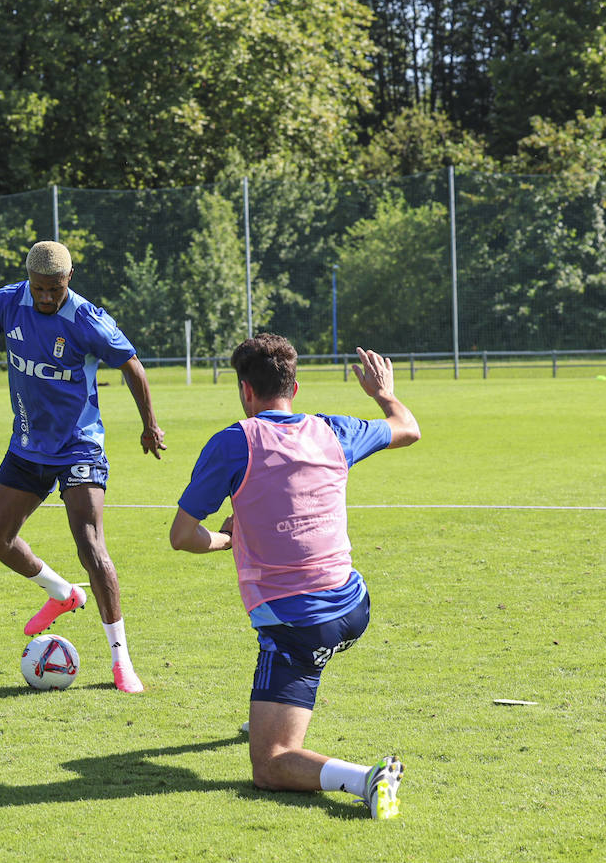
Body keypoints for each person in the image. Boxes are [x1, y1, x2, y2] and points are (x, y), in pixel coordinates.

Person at [169, 335, 420, 819]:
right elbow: (407, 428)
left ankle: (366, 779)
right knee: (294, 645)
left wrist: (228, 539)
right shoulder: (333, 431)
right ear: (295, 387)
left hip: (298, 626)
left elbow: (182, 535)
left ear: (245, 391)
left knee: (270, 763)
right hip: (354, 606)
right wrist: (382, 393)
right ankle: (268, 709)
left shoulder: (233, 443)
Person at [0, 241, 163, 693]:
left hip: (79, 446)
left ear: (69, 278)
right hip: (29, 444)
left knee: (90, 544)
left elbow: (132, 366)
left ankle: (120, 660)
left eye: (55, 288)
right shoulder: (9, 302)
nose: (47, 297)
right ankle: (62, 593)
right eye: (40, 288)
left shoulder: (88, 320)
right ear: (28, 280)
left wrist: (149, 426)